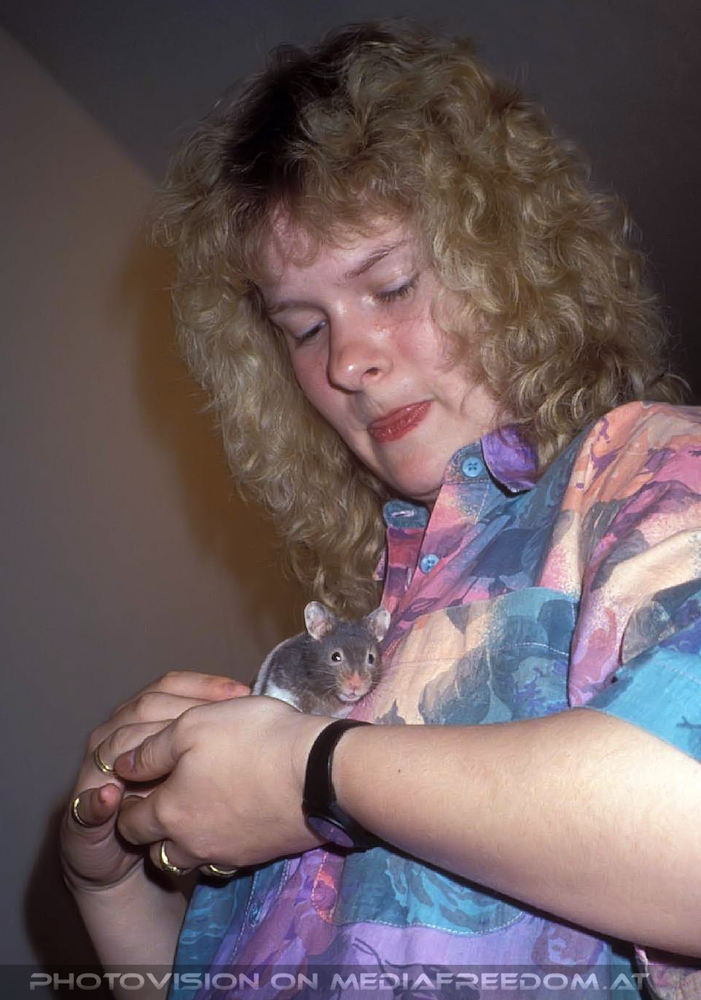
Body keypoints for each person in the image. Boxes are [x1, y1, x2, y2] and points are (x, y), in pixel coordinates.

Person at [60, 20, 701, 1000]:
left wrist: (313, 777)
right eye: (303, 328)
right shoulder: (335, 656)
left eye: (390, 285)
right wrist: (110, 884)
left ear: (507, 261)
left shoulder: (647, 472)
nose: (347, 361)